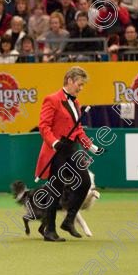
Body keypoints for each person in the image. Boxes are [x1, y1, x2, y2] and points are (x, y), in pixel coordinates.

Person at [34, 66, 104, 242]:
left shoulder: (76, 103)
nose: (80, 88)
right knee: (55, 189)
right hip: (57, 151)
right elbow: (44, 127)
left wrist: (92, 147)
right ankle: (49, 230)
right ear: (70, 80)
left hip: (72, 150)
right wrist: (55, 143)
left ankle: (69, 220)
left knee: (85, 182)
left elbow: (78, 130)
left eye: (82, 86)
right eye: (79, 84)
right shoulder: (52, 99)